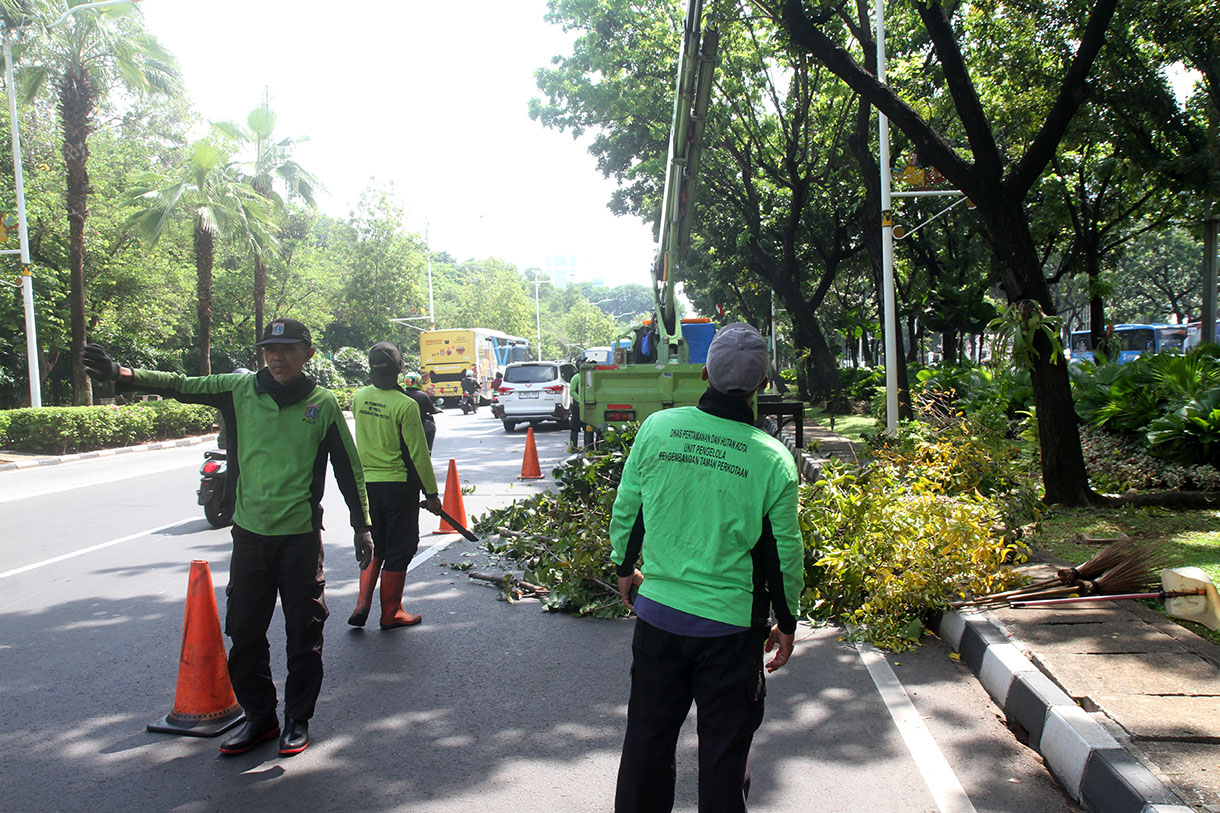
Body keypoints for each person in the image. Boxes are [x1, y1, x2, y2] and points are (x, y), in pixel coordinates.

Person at [83, 318, 373, 758]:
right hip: (251, 536)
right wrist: (123, 375)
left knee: (304, 631)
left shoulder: (323, 403)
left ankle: (297, 717)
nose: (275, 357)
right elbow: (181, 384)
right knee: (244, 631)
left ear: (308, 353)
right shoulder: (239, 391)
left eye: (287, 349)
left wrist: (362, 524)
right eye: (268, 349)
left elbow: (348, 468)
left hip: (298, 538)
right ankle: (261, 716)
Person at [608, 322, 803, 813]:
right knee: (724, 754)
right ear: (763, 385)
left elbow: (631, 506)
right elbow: (783, 552)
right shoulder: (772, 459)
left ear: (703, 373)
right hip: (731, 634)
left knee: (647, 742)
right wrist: (786, 620)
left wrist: (625, 566)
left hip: (659, 619)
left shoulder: (658, 428)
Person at [349, 343, 444, 630]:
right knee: (401, 546)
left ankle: (362, 603)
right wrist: (431, 494)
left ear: (371, 367)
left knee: (375, 543)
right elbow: (418, 454)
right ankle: (391, 612)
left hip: (367, 484)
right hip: (398, 484)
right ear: (399, 369)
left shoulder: (360, 397)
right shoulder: (406, 405)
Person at [401, 370, 441, 452]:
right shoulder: (423, 396)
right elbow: (432, 410)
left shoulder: (401, 395)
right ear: (418, 382)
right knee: (431, 427)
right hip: (421, 423)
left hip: (403, 423)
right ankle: (428, 450)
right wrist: (438, 410)